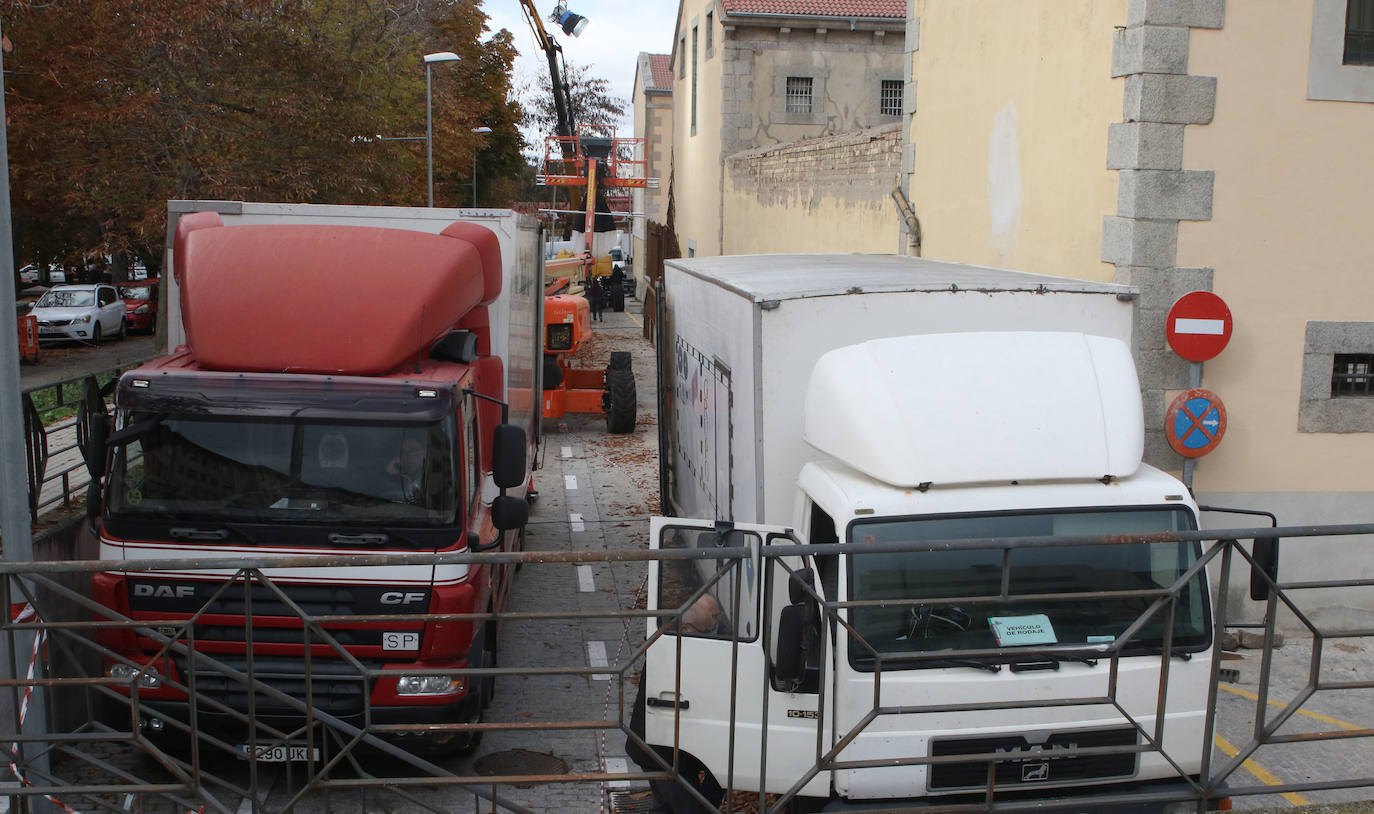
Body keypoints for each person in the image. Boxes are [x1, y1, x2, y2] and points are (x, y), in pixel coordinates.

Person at [627, 593, 727, 813]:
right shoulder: (671, 651)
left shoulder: (682, 639)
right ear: (687, 628)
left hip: (673, 750)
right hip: (658, 752)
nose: (715, 631)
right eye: (709, 629)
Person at [386, 437, 426, 503]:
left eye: (414, 451)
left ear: (424, 452)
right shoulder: (391, 481)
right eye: (403, 452)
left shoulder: (432, 479)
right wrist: (391, 476)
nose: (409, 456)